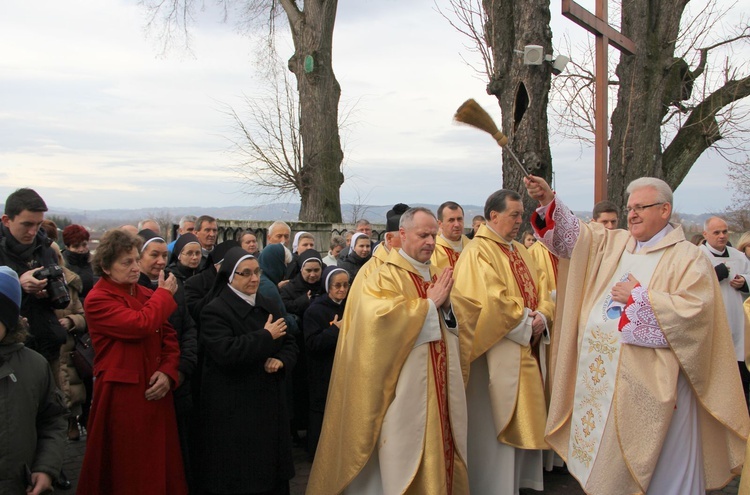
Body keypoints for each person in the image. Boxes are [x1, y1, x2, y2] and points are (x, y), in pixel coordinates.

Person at [524, 175, 749, 494]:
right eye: (630, 207)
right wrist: (547, 201)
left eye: (641, 207)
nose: (632, 214)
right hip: (603, 383)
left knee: (663, 473)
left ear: (665, 210)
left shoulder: (687, 257)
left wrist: (639, 298)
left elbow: (696, 315)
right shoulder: (614, 244)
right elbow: (572, 239)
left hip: (659, 392)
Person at [307, 207, 468, 495]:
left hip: (438, 384)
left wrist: (446, 308)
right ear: (401, 235)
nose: (431, 242)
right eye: (423, 235)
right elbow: (377, 322)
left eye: (433, 235)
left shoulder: (435, 274)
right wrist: (429, 306)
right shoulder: (381, 276)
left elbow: (456, 323)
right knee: (401, 459)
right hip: (403, 391)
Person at [452, 189, 555, 495]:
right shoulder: (478, 252)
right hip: (495, 353)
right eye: (515, 215)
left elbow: (544, 290)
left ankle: (519, 484)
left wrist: (543, 317)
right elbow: (489, 301)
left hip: (526, 345)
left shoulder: (521, 251)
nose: (520, 221)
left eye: (522, 215)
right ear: (494, 216)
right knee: (493, 427)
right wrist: (528, 322)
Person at [77, 229, 187, 495]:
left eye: (137, 260)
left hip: (155, 391)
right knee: (128, 472)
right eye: (127, 262)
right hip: (122, 397)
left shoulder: (145, 294)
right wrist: (164, 295)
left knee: (160, 467)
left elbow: (169, 338)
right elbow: (139, 325)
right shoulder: (98, 299)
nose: (136, 267)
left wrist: (168, 372)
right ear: (105, 266)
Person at [200, 247, 298, 494]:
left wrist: (282, 360)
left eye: (257, 272)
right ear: (230, 276)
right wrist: (266, 336)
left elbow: (290, 341)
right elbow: (226, 352)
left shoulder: (267, 303)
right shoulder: (215, 310)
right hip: (236, 409)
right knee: (245, 476)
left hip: (269, 404)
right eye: (245, 273)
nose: (254, 278)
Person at [0, 266, 68, 495]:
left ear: (9, 321)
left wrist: (46, 467)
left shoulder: (34, 366)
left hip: (17, 484)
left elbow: (53, 420)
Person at [700, 216, 750, 408]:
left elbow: (748, 274)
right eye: (716, 232)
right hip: (712, 323)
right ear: (705, 234)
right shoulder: (697, 255)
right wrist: (714, 275)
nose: (722, 236)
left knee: (740, 378)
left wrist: (744, 282)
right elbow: (689, 285)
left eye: (725, 231)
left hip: (738, 323)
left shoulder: (739, 256)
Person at [303, 266, 349, 460]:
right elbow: (312, 343)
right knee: (321, 412)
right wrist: (335, 330)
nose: (342, 289)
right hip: (322, 369)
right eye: (337, 285)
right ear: (327, 286)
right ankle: (317, 454)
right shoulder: (315, 310)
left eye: (346, 285)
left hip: (345, 367)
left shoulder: (350, 304)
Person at [432, 201, 470, 272]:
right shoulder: (433, 250)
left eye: (459, 219)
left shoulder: (472, 246)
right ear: (440, 224)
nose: (457, 224)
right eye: (451, 220)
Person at [62, 224, 95, 301]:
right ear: (67, 247)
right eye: (76, 246)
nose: (81, 249)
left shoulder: (95, 263)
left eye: (84, 245)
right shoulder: (62, 265)